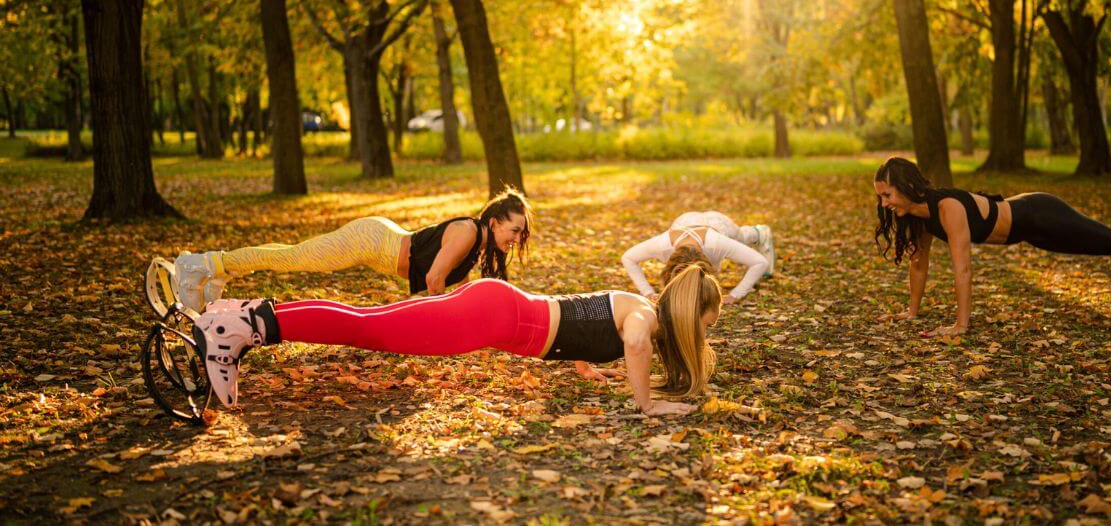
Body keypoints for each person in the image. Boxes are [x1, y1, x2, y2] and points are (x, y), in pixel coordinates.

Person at [164, 265, 721, 418]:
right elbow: (637, 347)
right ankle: (240, 328)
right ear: (689, 313)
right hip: (491, 319)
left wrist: (586, 364)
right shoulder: (645, 320)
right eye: (708, 324)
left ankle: (239, 314)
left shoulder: (639, 309)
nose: (706, 334)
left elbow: (581, 322)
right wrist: (647, 406)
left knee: (367, 318)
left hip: (499, 308)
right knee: (366, 327)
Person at [872, 157, 1111, 337]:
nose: (885, 203)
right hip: (1032, 233)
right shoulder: (919, 219)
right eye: (881, 197)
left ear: (905, 185)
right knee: (1105, 246)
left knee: (1109, 239)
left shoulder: (947, 207)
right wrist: (912, 312)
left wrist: (961, 324)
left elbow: (963, 268)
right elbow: (918, 266)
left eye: (888, 194)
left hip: (1039, 213)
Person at [149, 190, 531, 313]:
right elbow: (433, 281)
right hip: (371, 240)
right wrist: (444, 322)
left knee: (291, 253)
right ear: (495, 221)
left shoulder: (478, 246)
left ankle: (219, 271)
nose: (515, 238)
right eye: (514, 230)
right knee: (292, 257)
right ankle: (202, 263)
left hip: (379, 242)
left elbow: (439, 286)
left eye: (520, 233)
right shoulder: (467, 232)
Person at [621, 212, 774, 305]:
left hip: (718, 223)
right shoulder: (662, 245)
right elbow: (628, 257)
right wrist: (647, 292)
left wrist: (736, 294)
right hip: (685, 220)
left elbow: (760, 262)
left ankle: (759, 233)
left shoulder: (717, 244)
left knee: (740, 237)